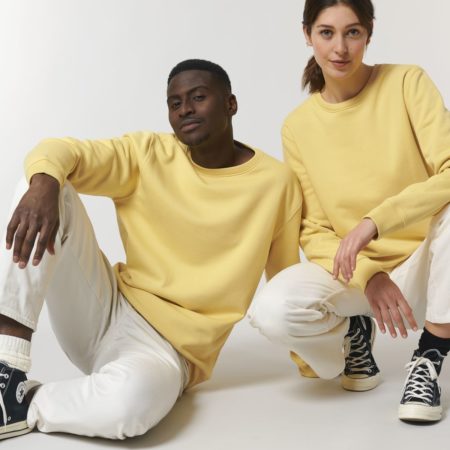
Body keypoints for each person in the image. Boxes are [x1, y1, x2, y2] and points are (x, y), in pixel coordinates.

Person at [0, 58, 301, 440]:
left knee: (128, 408)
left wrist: (311, 359)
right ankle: (7, 366)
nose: (185, 109)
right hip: (105, 309)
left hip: (169, 351)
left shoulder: (275, 183)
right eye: (175, 103)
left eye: (198, 97)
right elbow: (58, 149)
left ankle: (24, 403)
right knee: (43, 185)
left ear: (231, 104)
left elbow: (285, 280)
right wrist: (44, 183)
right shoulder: (147, 154)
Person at [249, 0, 450, 423]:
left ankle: (429, 357)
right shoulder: (298, 126)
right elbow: (314, 229)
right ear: (307, 34)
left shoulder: (406, 82)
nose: (340, 48)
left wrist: (374, 223)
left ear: (369, 33)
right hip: (358, 273)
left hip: (432, 267)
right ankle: (352, 332)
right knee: (271, 311)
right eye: (326, 32)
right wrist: (369, 275)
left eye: (352, 32)